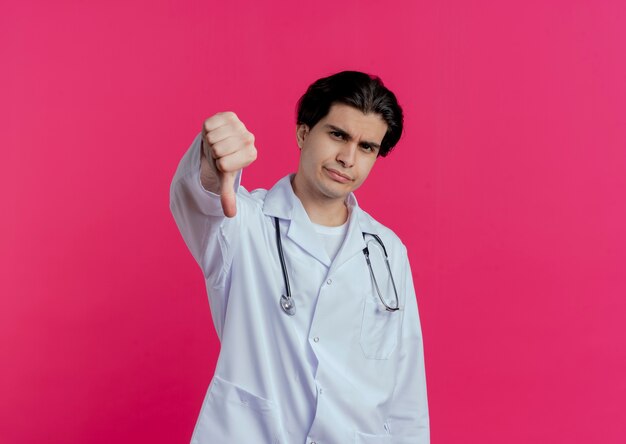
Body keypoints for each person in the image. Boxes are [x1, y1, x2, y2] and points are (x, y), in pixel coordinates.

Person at [169, 71, 429, 443]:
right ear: (304, 133)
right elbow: (199, 199)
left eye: (367, 146)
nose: (347, 158)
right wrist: (211, 162)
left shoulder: (387, 251)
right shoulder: (245, 223)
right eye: (338, 134)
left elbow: (407, 396)